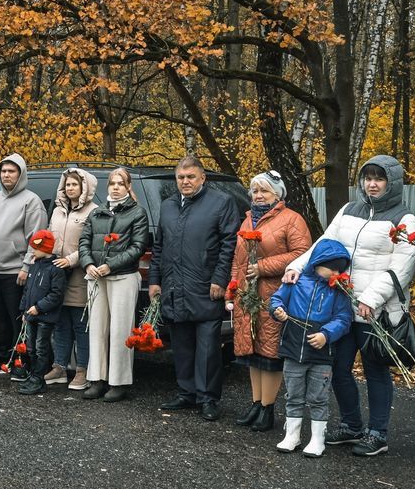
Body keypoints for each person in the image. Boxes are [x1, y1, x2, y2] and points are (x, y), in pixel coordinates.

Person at [284, 155, 415, 457]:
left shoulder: (404, 219)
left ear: (392, 183)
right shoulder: (349, 210)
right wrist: (296, 266)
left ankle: (377, 434)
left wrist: (369, 299)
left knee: (375, 371)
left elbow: (402, 268)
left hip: (377, 311)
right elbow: (324, 244)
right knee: (338, 368)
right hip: (341, 307)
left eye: (379, 178)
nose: (372, 184)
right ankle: (351, 425)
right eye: (368, 178)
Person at [149, 155, 241, 420]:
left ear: (203, 178)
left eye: (191, 177)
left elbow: (228, 245)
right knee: (182, 344)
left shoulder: (220, 202)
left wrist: (220, 279)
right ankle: (186, 392)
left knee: (209, 348)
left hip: (205, 285)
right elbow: (159, 246)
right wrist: (155, 280)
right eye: (181, 177)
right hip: (174, 287)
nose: (185, 182)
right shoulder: (167, 206)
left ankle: (208, 398)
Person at [228, 171, 311, 432]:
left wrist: (263, 267)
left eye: (264, 190)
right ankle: (256, 403)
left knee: (270, 352)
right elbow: (237, 258)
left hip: (274, 294)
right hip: (247, 295)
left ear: (278, 194)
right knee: (252, 353)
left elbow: (302, 254)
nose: (259, 195)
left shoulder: (291, 219)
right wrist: (233, 287)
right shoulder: (248, 220)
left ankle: (268, 408)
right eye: (255, 190)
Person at [269, 239, 353, 457]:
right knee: (293, 394)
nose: (335, 272)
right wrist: (277, 309)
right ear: (317, 262)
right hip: (293, 348)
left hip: (321, 354)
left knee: (318, 397)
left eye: (339, 268)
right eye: (331, 267)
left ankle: (318, 439)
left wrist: (326, 334)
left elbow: (343, 318)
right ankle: (292, 435)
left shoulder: (339, 291)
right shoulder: (295, 281)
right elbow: (277, 299)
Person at [0, 154, 47, 377]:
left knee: (17, 319)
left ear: (20, 174)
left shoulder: (31, 201)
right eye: (3, 171)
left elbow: (37, 239)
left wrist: (26, 267)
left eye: (11, 171)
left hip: (15, 273)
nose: (6, 175)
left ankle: (20, 360)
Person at [78, 168, 150, 402]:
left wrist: (110, 265)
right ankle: (97, 379)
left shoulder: (137, 213)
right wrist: (88, 263)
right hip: (96, 277)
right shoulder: (98, 212)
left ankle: (118, 382)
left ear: (129, 186)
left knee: (120, 330)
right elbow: (84, 241)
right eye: (112, 183)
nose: (116, 187)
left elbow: (138, 247)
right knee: (97, 329)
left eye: (121, 183)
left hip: (122, 277)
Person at [45, 168, 98, 390]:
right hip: (57, 276)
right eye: (67, 184)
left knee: (81, 325)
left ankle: (82, 370)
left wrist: (72, 260)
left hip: (79, 276)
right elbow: (49, 237)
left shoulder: (93, 211)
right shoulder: (58, 211)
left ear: (84, 187)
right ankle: (59, 367)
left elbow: (94, 243)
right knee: (60, 324)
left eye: (75, 184)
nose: (70, 188)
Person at [17, 230, 67, 395]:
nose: (32, 251)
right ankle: (33, 375)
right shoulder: (34, 265)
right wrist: (24, 310)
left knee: (41, 347)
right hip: (31, 315)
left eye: (35, 248)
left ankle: (39, 379)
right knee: (31, 348)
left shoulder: (55, 269)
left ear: (45, 248)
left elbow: (56, 295)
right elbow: (27, 291)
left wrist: (39, 307)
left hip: (45, 316)